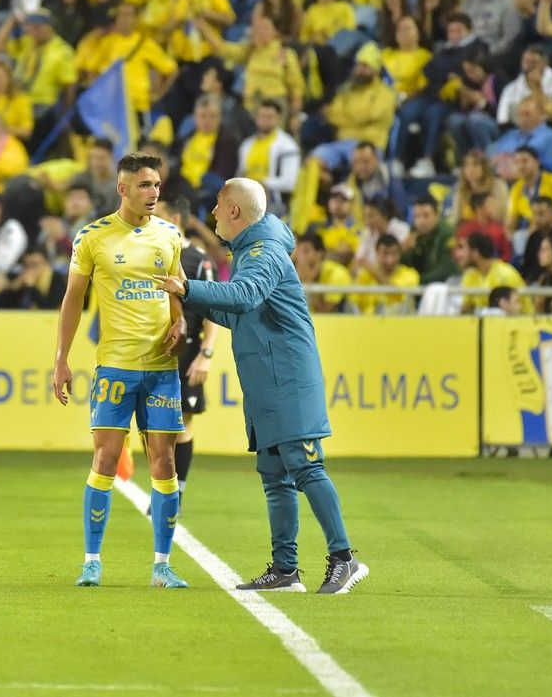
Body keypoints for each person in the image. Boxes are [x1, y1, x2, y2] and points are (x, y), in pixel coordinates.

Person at [154, 178, 367, 594]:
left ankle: (345, 558)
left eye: (217, 205)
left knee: (306, 466)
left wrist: (189, 287)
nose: (212, 213)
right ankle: (285, 570)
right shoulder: (250, 251)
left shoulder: (264, 251)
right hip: (266, 379)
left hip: (287, 376)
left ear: (234, 211)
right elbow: (239, 314)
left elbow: (246, 296)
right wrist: (190, 298)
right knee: (274, 475)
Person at [52, 151, 189, 590]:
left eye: (157, 184)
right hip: (114, 366)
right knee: (106, 458)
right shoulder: (91, 237)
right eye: (145, 185)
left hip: (162, 366)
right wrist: (61, 359)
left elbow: (176, 287)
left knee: (164, 461)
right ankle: (92, 561)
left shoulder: (170, 235)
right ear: (122, 188)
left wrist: (181, 319)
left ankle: (162, 566)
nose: (154, 193)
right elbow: (73, 299)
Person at [154, 198, 218, 498]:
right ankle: (164, 488)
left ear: (176, 219)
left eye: (159, 216)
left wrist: (206, 354)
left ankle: (175, 493)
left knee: (181, 423)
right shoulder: (149, 252)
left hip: (187, 348)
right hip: (153, 349)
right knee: (153, 426)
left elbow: (210, 312)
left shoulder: (197, 259)